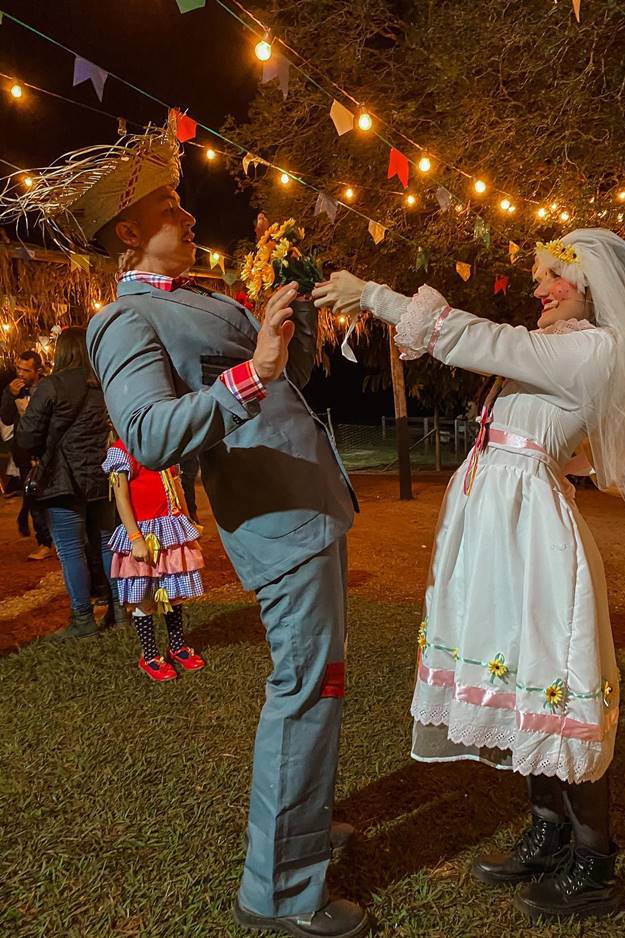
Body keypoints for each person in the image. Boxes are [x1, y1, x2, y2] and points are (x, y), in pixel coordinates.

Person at [0, 123, 364, 937]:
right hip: (276, 523)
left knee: (321, 684)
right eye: (171, 205)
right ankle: (279, 890)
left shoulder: (203, 295)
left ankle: (299, 827)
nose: (190, 215)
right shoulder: (121, 320)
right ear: (128, 232)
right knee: (306, 687)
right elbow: (153, 432)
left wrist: (286, 317)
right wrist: (254, 369)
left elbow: (286, 381)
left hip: (309, 503)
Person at [312, 229, 625, 922]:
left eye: (551, 276)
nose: (536, 289)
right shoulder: (559, 348)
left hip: (533, 536)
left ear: (589, 286)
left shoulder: (593, 349)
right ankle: (547, 830)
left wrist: (375, 296)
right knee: (518, 670)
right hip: (496, 525)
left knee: (555, 676)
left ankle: (594, 859)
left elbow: (487, 342)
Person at [15, 328, 126, 638]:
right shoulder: (101, 385)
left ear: (62, 351)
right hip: (100, 476)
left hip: (62, 480)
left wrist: (40, 450)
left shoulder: (51, 386)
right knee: (106, 544)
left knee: (71, 550)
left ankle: (82, 618)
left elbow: (26, 436)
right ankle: (119, 612)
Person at [105, 438, 206, 682]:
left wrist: (185, 518)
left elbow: (176, 486)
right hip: (143, 534)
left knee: (172, 591)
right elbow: (121, 497)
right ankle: (149, 655)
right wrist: (135, 538)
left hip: (169, 529)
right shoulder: (122, 452)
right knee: (145, 595)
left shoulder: (162, 447)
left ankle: (177, 645)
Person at [0, 349, 54, 559]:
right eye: (18, 369)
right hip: (25, 453)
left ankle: (61, 540)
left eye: (26, 370)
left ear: (37, 371)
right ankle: (44, 542)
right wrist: (9, 395)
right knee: (33, 498)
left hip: (48, 451)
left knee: (54, 498)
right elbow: (5, 417)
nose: (20, 374)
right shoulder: (14, 390)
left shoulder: (48, 388)